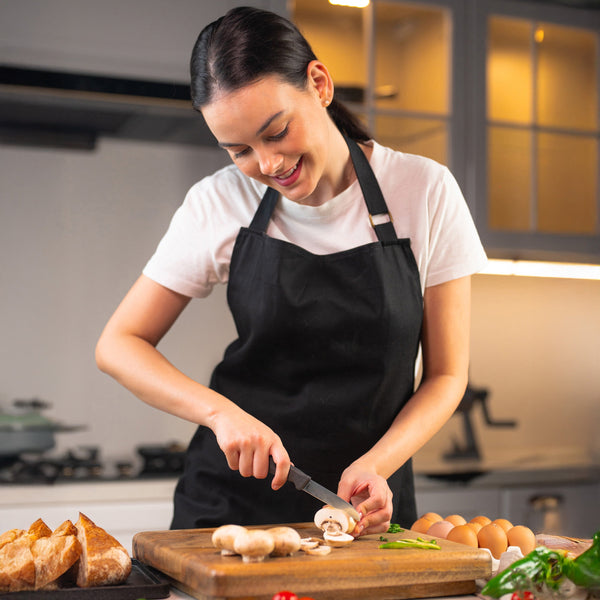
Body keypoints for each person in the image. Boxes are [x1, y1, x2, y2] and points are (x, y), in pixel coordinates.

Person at [95, 6, 487, 536]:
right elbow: (119, 344)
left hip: (365, 504)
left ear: (319, 84)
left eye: (276, 131)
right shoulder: (219, 201)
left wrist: (379, 464)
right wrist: (219, 415)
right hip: (230, 510)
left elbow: (446, 375)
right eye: (240, 151)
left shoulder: (424, 191)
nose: (269, 164)